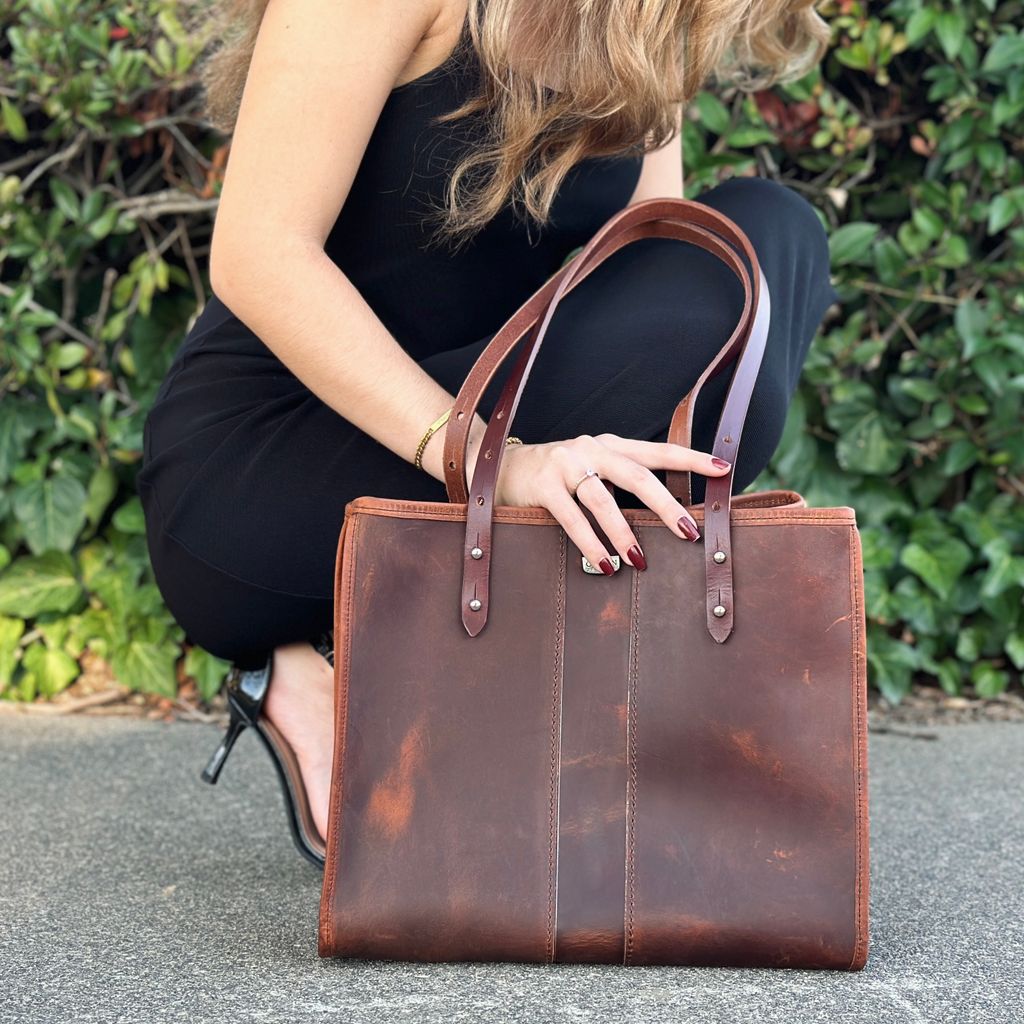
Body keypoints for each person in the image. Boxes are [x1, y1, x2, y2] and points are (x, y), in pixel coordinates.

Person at [136, 0, 840, 867]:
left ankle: (531, 682)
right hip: (258, 471)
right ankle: (317, 659)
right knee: (710, 304)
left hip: (487, 422)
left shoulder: (638, 22)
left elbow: (642, 259)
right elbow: (258, 253)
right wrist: (492, 461)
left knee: (764, 246)